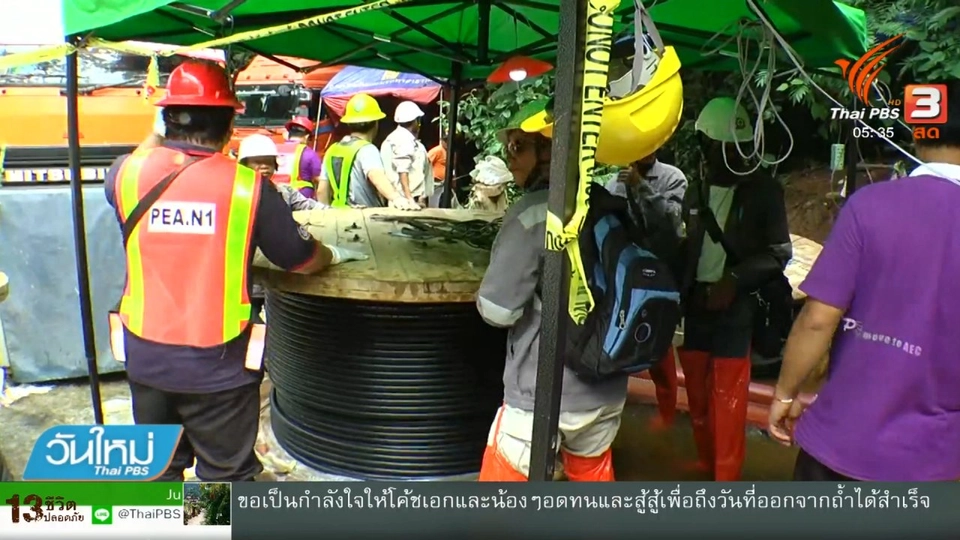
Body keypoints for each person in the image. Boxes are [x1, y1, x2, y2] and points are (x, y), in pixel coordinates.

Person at [104, 61, 366, 483]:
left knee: (158, 472)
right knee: (226, 478)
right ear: (229, 123)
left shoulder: (126, 173)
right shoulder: (246, 186)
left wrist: (159, 129)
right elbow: (298, 258)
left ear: (167, 118)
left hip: (146, 356)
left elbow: (142, 158)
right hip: (218, 366)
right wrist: (333, 254)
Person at [768, 81, 960, 482]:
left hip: (839, 445)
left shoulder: (870, 205)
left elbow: (818, 319)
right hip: (932, 461)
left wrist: (786, 393)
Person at [476, 104, 627, 482]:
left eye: (518, 147)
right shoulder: (607, 205)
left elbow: (498, 310)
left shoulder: (532, 213)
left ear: (549, 150)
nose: (510, 160)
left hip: (542, 395)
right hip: (606, 390)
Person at [678, 97, 791, 481]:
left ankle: (725, 480)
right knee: (695, 389)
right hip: (696, 305)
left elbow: (779, 253)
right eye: (721, 148)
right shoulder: (695, 192)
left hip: (736, 308)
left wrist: (734, 280)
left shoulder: (763, 191)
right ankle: (705, 462)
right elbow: (687, 248)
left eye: (736, 149)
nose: (731, 157)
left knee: (727, 395)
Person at [605, 152, 687, 430]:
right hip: (625, 277)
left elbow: (671, 223)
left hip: (660, 274)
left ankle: (667, 414)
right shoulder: (615, 181)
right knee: (617, 337)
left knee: (659, 343)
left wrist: (641, 186)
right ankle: (614, 409)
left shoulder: (672, 178)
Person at [318, 94, 418, 210]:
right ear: (375, 124)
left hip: (338, 215)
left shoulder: (333, 149)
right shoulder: (367, 150)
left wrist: (326, 213)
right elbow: (376, 176)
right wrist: (397, 198)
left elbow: (321, 191)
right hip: (363, 219)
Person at [381, 101, 433, 207]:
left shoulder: (398, 139)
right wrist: (410, 199)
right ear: (415, 121)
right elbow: (403, 170)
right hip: (407, 202)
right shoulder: (402, 139)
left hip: (410, 200)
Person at [274, 116, 323, 199]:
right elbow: (319, 179)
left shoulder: (275, 149)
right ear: (307, 137)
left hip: (275, 195)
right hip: (300, 198)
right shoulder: (309, 153)